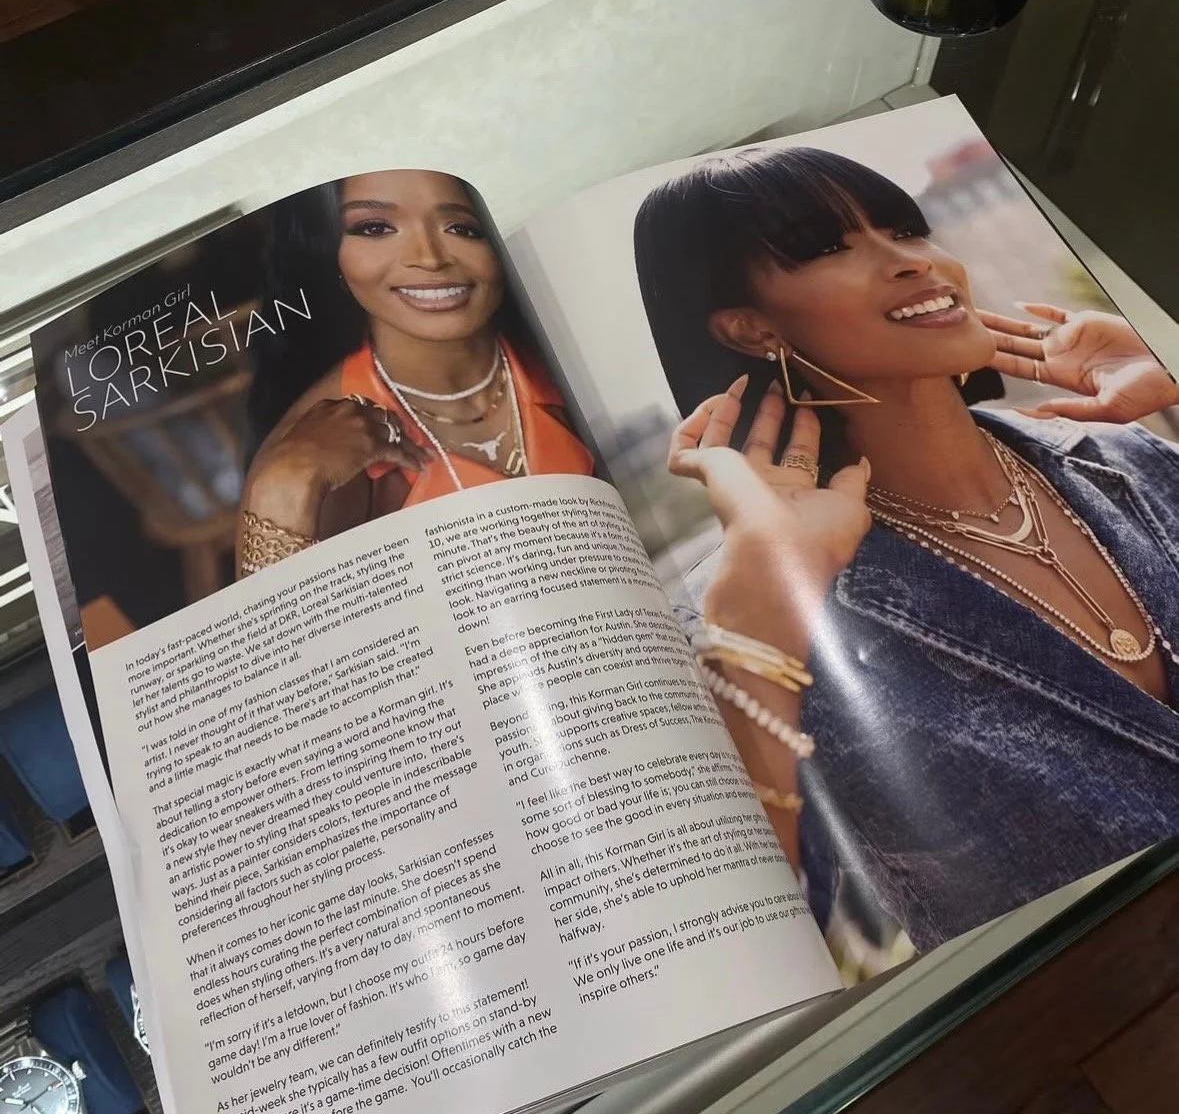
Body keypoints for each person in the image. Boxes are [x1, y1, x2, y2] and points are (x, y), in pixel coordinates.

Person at [633, 146, 1179, 957]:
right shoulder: (751, 615)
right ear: (751, 327)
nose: (910, 262)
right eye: (828, 246)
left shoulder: (1131, 459)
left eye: (905, 229)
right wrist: (760, 613)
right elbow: (738, 932)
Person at [238, 169, 593, 575]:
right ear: (328, 248)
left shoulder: (571, 358)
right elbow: (288, 617)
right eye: (376, 228)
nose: (429, 257)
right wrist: (283, 485)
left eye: (462, 228)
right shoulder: (309, 453)